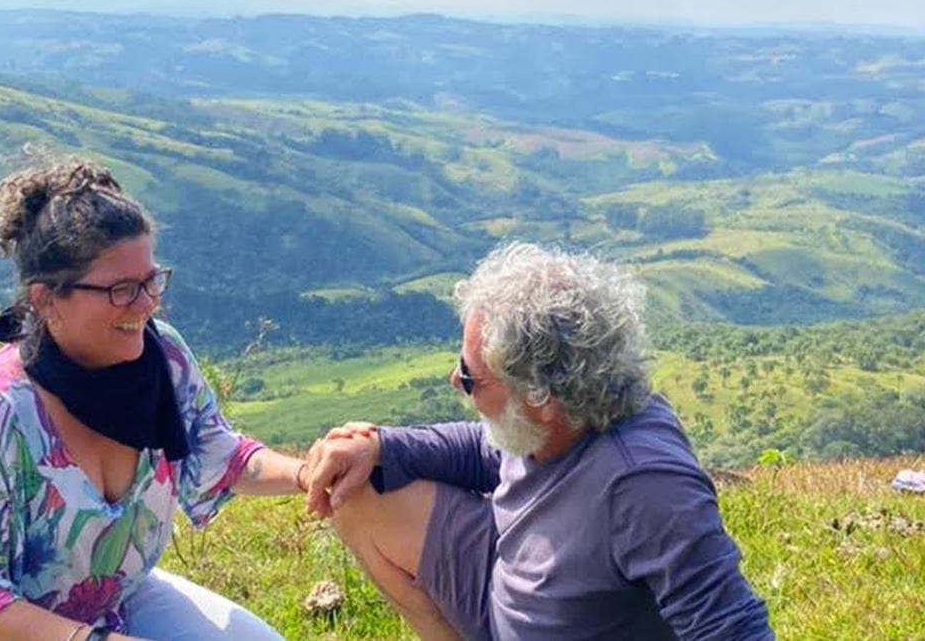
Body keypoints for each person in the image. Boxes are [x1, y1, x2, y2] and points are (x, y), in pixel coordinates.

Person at [0, 162, 305, 641]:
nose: (146, 303)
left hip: (110, 599)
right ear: (45, 299)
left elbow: (216, 454)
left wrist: (306, 474)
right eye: (121, 289)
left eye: (151, 281)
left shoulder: (161, 356)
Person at [301, 242, 775, 640]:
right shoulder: (554, 423)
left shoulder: (643, 484)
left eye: (470, 377)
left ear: (540, 397)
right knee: (360, 487)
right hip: (498, 582)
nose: (454, 380)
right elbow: (484, 451)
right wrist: (380, 446)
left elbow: (731, 627)